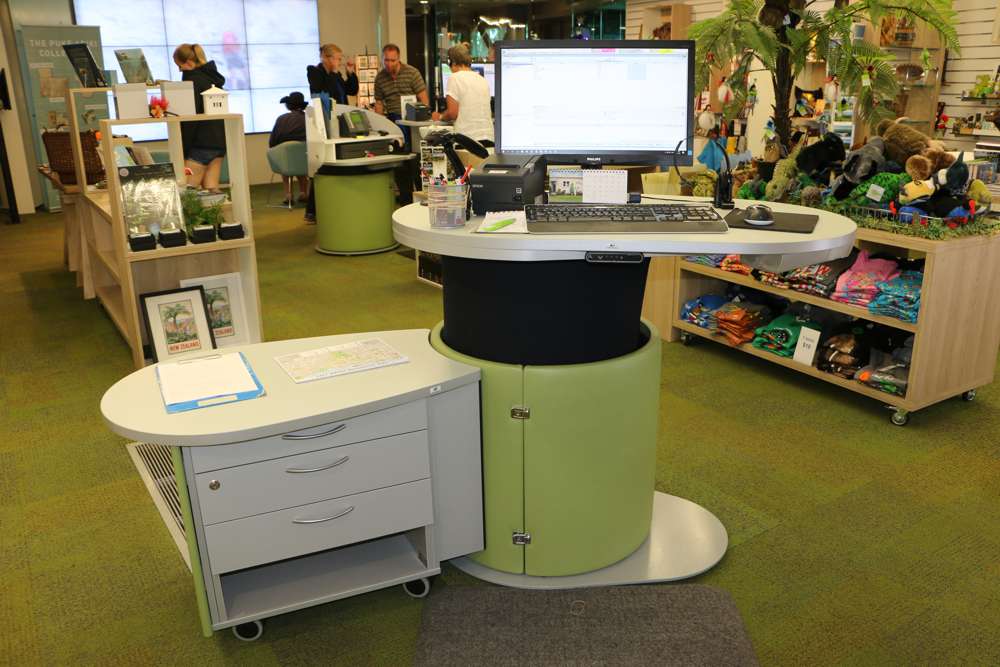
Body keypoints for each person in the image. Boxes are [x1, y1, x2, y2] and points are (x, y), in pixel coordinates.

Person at [173, 44, 227, 192]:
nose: (180, 70)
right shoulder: (213, 79)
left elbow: (191, 118)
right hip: (218, 142)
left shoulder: (192, 82)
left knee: (188, 191)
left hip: (199, 144)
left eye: (179, 66)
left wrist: (184, 148)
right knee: (212, 191)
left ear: (189, 63)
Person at [431, 45, 494, 146]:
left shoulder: (454, 78)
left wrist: (440, 116)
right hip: (489, 138)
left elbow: (452, 113)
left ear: (453, 62)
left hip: (467, 140)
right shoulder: (482, 79)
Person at [269, 91, 309, 205]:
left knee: (285, 160)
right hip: (305, 157)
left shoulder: (281, 119)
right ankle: (303, 193)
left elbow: (273, 141)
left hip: (285, 158)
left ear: (289, 105)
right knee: (301, 159)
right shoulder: (308, 118)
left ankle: (288, 194)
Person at [373, 43, 428, 120]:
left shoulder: (412, 73)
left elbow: (423, 99)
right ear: (382, 59)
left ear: (398, 59)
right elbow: (379, 104)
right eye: (386, 60)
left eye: (393, 60)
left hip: (412, 115)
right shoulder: (380, 78)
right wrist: (380, 122)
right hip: (393, 116)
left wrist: (423, 119)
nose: (389, 64)